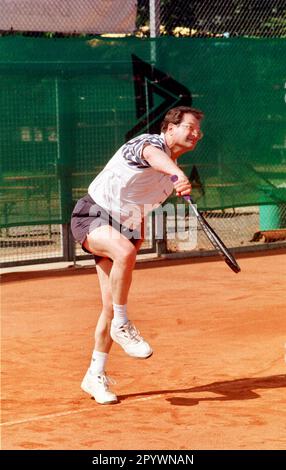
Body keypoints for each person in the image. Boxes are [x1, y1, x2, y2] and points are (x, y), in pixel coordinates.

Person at [71, 106, 204, 404]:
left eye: (198, 131)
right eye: (190, 127)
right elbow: (152, 155)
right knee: (121, 260)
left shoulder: (166, 176)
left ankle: (95, 375)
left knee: (108, 305)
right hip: (92, 215)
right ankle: (122, 324)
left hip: (125, 227)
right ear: (170, 128)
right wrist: (177, 173)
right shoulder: (148, 144)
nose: (195, 134)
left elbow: (139, 207)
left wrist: (136, 240)